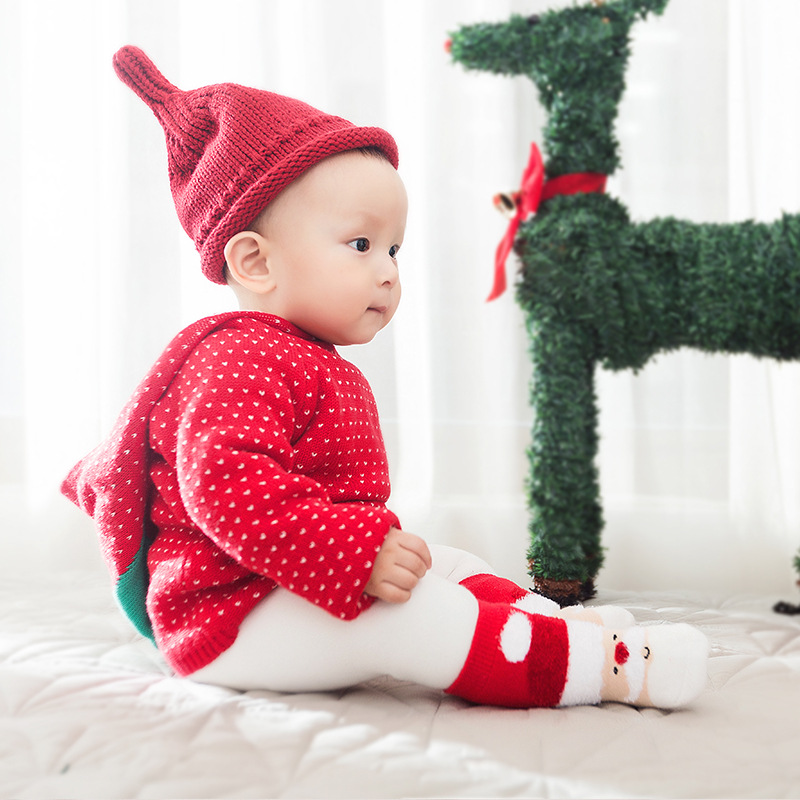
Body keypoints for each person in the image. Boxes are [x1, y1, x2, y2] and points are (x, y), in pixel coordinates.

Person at [62, 46, 709, 709]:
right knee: (408, 617)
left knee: (444, 564)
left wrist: (368, 552)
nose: (387, 271)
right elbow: (230, 489)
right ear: (255, 262)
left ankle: (551, 626)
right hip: (228, 615)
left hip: (292, 581)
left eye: (394, 249)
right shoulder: (236, 359)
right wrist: (355, 553)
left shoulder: (303, 355)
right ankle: (609, 670)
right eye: (360, 245)